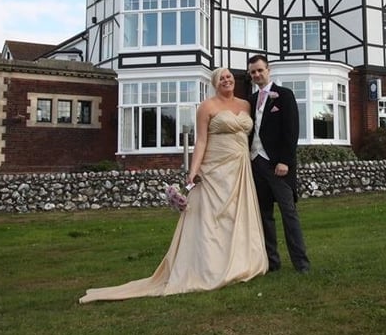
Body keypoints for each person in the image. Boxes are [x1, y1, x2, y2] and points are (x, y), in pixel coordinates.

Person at [79, 68, 267, 303]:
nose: (226, 80)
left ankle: (241, 261)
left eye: (229, 76)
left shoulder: (246, 105)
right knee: (212, 217)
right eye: (221, 78)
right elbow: (201, 141)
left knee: (237, 214)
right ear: (215, 83)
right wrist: (193, 171)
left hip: (240, 166)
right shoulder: (207, 107)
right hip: (215, 167)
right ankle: (211, 265)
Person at [247, 54, 310, 273]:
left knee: (288, 213)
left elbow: (291, 131)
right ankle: (272, 263)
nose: (257, 74)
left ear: (268, 70)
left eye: (260, 70)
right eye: (253, 72)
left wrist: (285, 161)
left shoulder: (284, 95)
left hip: (278, 165)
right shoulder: (250, 101)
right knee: (264, 215)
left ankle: (301, 264)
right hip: (256, 163)